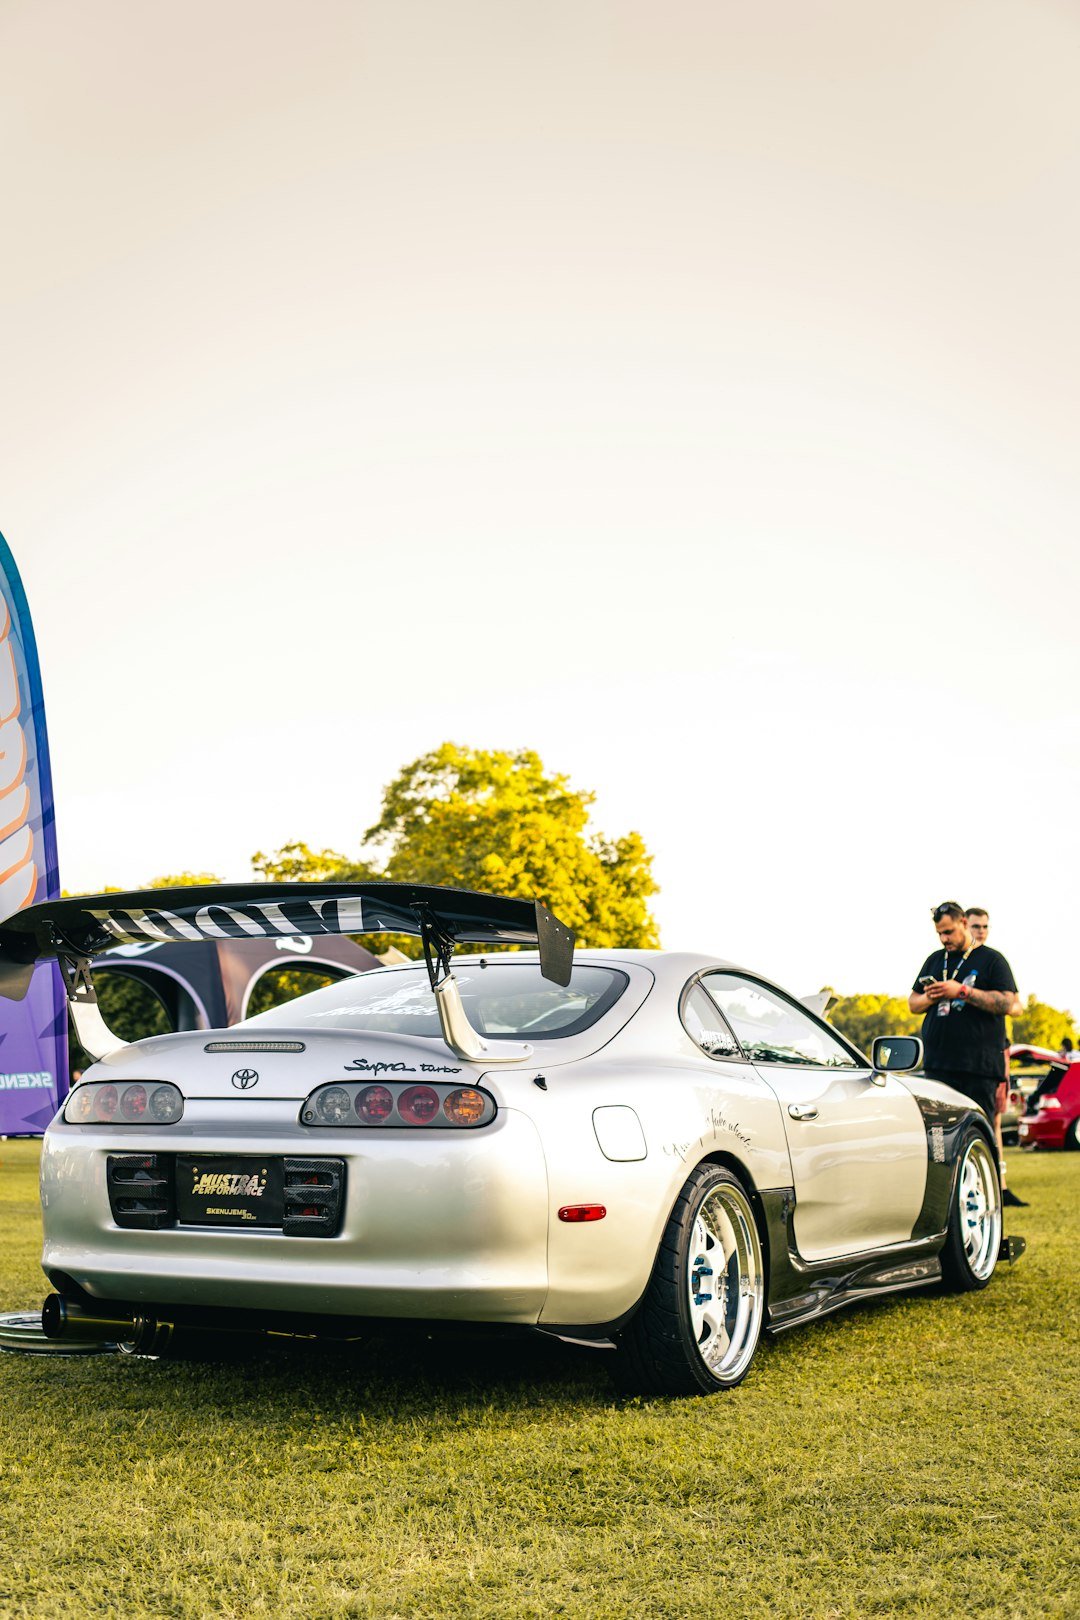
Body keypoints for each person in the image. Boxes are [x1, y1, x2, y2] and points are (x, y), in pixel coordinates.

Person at [909, 902, 1026, 1206]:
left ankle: (989, 1199)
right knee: (939, 1139)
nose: (944, 939)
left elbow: (1008, 1003)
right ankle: (946, 1201)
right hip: (938, 1065)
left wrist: (962, 992)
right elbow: (913, 1003)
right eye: (939, 933)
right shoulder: (935, 960)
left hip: (977, 1066)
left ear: (963, 922)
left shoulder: (991, 960)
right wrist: (933, 995)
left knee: (982, 1133)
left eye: (948, 931)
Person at [964, 906, 1026, 1207]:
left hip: (991, 1055)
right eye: (976, 926)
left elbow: (1016, 1006)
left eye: (985, 926)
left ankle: (999, 1185)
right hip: (959, 1060)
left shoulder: (992, 960)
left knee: (995, 1120)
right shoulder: (949, 963)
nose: (981, 931)